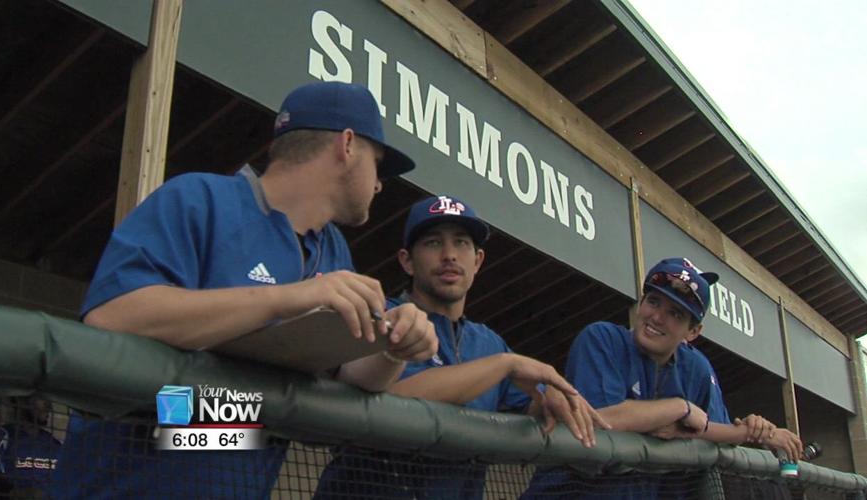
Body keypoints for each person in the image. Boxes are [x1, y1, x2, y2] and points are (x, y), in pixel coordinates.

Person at [48, 81, 438, 498]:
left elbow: (347, 378)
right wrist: (287, 298)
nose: (379, 184)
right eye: (377, 164)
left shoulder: (334, 250)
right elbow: (112, 316)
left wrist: (391, 347)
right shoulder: (199, 197)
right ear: (347, 145)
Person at [313, 195, 608, 499]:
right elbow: (389, 398)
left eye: (462, 243)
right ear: (407, 261)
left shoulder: (488, 343)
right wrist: (506, 364)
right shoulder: (379, 313)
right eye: (432, 242)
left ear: (478, 261)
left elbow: (527, 402)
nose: (450, 255)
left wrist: (549, 395)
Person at [522, 257, 803, 499]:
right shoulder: (602, 338)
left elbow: (714, 434)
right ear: (641, 301)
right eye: (654, 301)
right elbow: (602, 421)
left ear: (693, 332)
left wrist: (758, 432)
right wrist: (680, 408)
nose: (657, 317)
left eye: (675, 314)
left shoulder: (697, 368)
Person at [0, 396, 61, 499]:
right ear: (20, 401)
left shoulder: (55, 445)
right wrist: (20, 493)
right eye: (43, 399)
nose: (49, 407)